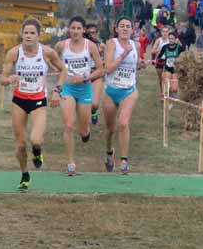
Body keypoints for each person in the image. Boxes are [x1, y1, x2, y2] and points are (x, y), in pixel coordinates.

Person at [0, 18, 67, 190]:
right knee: (21, 145)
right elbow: (3, 79)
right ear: (21, 34)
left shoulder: (47, 53)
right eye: (26, 33)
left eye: (32, 33)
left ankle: (37, 153)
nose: (28, 36)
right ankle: (24, 174)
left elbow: (63, 70)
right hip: (19, 100)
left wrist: (57, 91)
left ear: (39, 35)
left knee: (36, 140)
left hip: (38, 100)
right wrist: (10, 79)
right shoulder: (14, 53)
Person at [56, 17, 103, 175]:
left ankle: (86, 132)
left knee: (83, 130)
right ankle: (71, 163)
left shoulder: (90, 46)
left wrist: (84, 78)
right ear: (69, 30)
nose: (75, 31)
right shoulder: (62, 45)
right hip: (68, 88)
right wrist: (60, 72)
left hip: (84, 88)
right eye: (73, 28)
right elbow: (50, 58)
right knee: (69, 125)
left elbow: (100, 70)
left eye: (78, 28)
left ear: (83, 30)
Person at [102, 16, 146, 175]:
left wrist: (141, 64)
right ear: (117, 29)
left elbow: (136, 64)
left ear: (132, 30)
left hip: (129, 90)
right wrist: (123, 55)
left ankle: (124, 160)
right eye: (122, 26)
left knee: (123, 123)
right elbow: (107, 69)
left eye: (128, 26)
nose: (125, 28)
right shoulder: (111, 44)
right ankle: (109, 153)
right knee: (110, 128)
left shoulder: (136, 45)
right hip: (111, 90)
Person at [85, 23, 105, 125]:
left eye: (94, 32)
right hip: (83, 76)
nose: (92, 34)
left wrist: (104, 62)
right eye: (90, 33)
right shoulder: (81, 46)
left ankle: (93, 112)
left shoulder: (101, 46)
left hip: (96, 75)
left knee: (95, 104)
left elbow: (108, 59)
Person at [147, 24, 173, 100]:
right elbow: (152, 51)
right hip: (159, 61)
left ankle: (168, 93)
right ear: (161, 32)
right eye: (163, 32)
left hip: (168, 61)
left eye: (166, 32)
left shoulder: (171, 40)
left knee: (166, 78)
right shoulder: (159, 40)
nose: (165, 33)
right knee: (160, 79)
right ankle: (162, 93)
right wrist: (160, 49)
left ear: (168, 32)